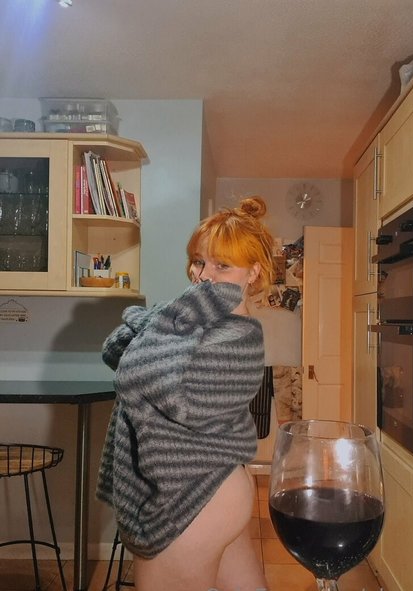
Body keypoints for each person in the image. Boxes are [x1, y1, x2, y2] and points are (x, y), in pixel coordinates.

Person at [96, 196, 275, 591]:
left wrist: (166, 317)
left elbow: (139, 376)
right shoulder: (197, 324)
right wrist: (172, 318)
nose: (203, 276)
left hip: (194, 497)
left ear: (253, 272)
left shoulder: (236, 339)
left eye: (222, 265)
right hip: (210, 488)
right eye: (198, 261)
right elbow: (113, 350)